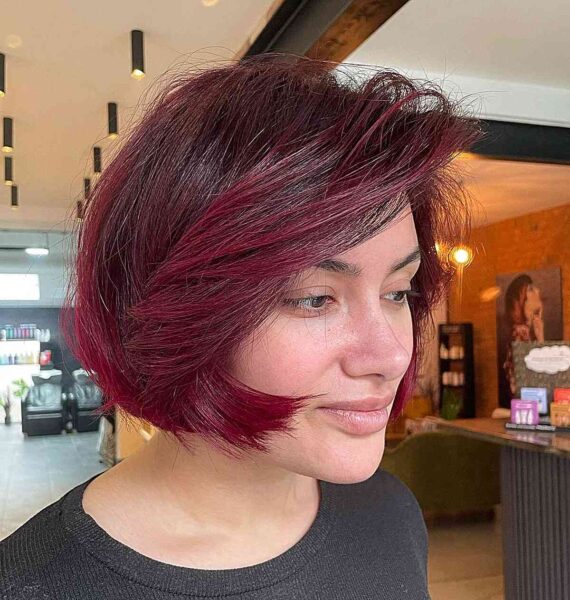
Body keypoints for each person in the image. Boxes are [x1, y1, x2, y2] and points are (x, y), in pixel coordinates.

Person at [0, 54, 480, 599]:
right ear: (178, 316)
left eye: (397, 292)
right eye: (314, 299)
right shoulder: (32, 585)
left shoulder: (390, 515)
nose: (391, 355)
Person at [502, 274, 545, 399]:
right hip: (527, 403)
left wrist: (540, 335)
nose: (538, 291)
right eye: (530, 289)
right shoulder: (520, 334)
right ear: (521, 301)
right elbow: (533, 377)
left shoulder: (529, 332)